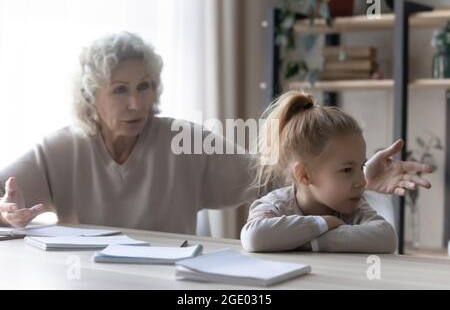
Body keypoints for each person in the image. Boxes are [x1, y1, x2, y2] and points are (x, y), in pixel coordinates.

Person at [0, 32, 433, 236]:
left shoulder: (183, 140)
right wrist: (7, 213)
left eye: (145, 87)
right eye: (120, 90)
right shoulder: (59, 148)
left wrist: (355, 175)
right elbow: (7, 198)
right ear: (91, 96)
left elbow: (274, 175)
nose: (137, 103)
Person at [241, 91, 431, 253]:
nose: (362, 182)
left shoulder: (354, 207)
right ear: (304, 175)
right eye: (347, 170)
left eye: (361, 166)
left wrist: (309, 241)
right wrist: (323, 223)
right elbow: (254, 237)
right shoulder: (275, 206)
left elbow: (386, 237)